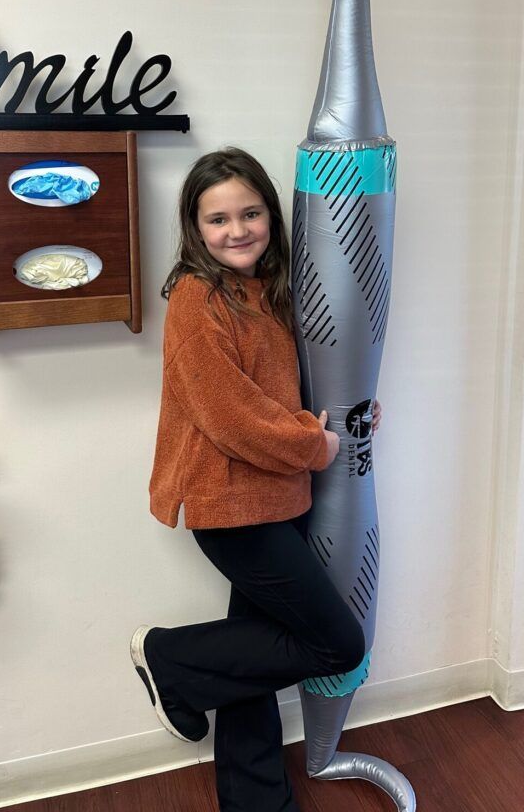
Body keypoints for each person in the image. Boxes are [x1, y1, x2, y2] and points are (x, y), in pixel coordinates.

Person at [132, 146, 381, 812]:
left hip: (279, 497)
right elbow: (230, 417)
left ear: (271, 214)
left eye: (250, 213)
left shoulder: (270, 290)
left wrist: (352, 413)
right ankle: (170, 661)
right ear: (194, 228)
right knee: (334, 642)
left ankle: (257, 802)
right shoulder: (196, 298)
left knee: (248, 662)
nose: (237, 230)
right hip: (233, 509)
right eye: (218, 220)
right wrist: (312, 444)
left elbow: (301, 383)